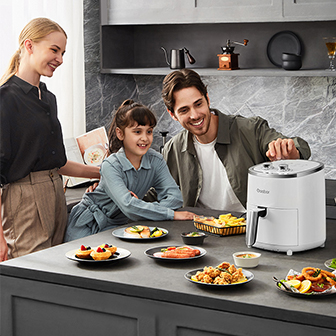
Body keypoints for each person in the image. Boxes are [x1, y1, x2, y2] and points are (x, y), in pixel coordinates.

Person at [0, 18, 100, 261]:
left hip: (56, 192)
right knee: (32, 278)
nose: (60, 59)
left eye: (63, 52)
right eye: (54, 50)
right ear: (29, 45)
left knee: (55, 273)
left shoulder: (47, 98)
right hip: (23, 199)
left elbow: (57, 162)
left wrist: (104, 172)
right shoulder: (5, 99)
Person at [161, 69, 311, 211]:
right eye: (184, 110)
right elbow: (158, 193)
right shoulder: (173, 149)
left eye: (198, 104)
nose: (194, 115)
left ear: (207, 99)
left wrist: (291, 152)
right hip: (200, 231)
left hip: (251, 227)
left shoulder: (250, 129)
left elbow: (300, 146)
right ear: (172, 114)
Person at [64, 100, 194, 242]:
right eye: (137, 132)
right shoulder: (110, 165)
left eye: (149, 131)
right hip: (86, 226)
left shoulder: (156, 161)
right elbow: (128, 206)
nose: (145, 138)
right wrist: (170, 214)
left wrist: (141, 208)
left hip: (120, 226)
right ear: (120, 134)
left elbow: (175, 197)